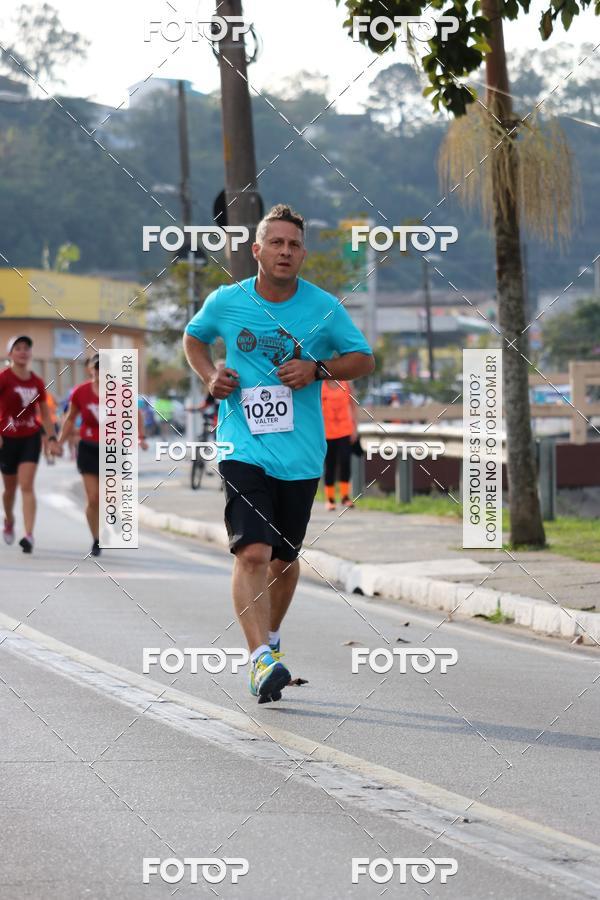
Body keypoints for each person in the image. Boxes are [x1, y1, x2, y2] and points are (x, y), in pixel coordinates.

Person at [183, 204, 374, 704]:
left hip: (301, 454)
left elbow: (363, 359)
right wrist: (210, 375)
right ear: (257, 250)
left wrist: (318, 369)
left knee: (285, 561)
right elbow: (194, 338)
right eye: (276, 243)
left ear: (302, 253)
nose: (285, 251)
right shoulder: (227, 300)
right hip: (242, 444)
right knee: (253, 551)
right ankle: (259, 660)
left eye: (293, 244)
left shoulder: (324, 307)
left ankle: (269, 639)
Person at [58, 353, 148, 557]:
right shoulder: (80, 392)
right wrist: (60, 442)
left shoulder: (122, 391)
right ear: (90, 369)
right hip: (88, 448)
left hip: (114, 448)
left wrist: (140, 437)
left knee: (112, 496)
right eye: (97, 367)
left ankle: (113, 514)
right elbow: (70, 418)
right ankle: (96, 539)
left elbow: (136, 414)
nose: (101, 371)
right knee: (93, 498)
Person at [0, 335, 60, 552]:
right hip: (6, 439)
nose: (23, 352)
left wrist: (52, 438)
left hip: (30, 438)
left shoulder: (37, 382)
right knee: (10, 489)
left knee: (26, 485)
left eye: (26, 348)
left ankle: (28, 535)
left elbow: (44, 413)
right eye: (18, 348)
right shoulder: (4, 378)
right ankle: (9, 519)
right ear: (10, 353)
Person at [321, 379, 358, 511]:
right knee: (330, 464)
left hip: (345, 430)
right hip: (327, 432)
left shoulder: (347, 384)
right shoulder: (321, 385)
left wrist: (355, 428)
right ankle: (330, 499)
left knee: (345, 461)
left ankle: (345, 496)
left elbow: (353, 406)